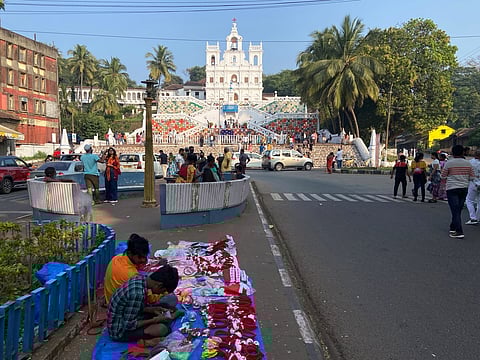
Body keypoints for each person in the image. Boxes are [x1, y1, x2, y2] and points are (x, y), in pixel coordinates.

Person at [107, 265, 180, 344]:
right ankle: (146, 341)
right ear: (159, 285)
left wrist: (152, 309)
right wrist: (155, 320)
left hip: (128, 315)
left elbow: (133, 306)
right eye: (163, 291)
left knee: (165, 306)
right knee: (163, 329)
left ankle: (163, 318)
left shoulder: (140, 279)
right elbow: (129, 325)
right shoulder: (137, 293)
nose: (161, 294)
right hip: (120, 331)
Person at [104, 233, 175, 306]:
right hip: (118, 305)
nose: (144, 260)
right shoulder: (132, 275)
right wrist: (165, 291)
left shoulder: (118, 257)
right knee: (170, 299)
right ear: (130, 253)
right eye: (140, 257)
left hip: (113, 299)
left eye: (145, 257)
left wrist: (157, 264)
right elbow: (150, 298)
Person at [440, 145, 474, 239]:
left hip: (452, 188)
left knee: (455, 210)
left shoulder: (449, 163)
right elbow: (472, 177)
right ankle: (453, 226)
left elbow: (443, 176)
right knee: (458, 209)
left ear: (453, 153)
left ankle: (459, 231)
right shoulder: (468, 163)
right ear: (463, 152)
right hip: (464, 188)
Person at [465, 149, 480, 225]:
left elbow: (467, 172)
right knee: (479, 201)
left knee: (469, 200)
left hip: (473, 182)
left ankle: (473, 218)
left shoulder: (470, 162)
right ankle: (478, 217)